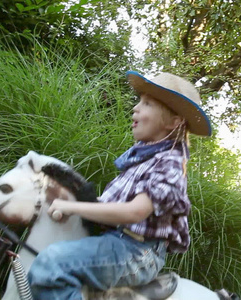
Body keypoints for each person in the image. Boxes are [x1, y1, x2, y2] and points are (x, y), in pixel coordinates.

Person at [27, 70, 212, 300]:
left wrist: (71, 208)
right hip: (118, 243)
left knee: (50, 265)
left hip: (136, 252)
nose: (136, 108)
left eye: (147, 104)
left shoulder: (170, 164)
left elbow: (135, 212)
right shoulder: (142, 160)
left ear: (174, 122)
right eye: (139, 102)